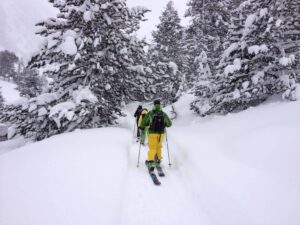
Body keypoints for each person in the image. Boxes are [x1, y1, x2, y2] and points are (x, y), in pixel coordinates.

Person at [140, 99, 172, 171]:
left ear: (154, 105)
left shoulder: (150, 113)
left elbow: (144, 122)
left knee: (152, 148)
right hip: (161, 134)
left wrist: (142, 127)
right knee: (158, 147)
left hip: (152, 133)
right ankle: (158, 161)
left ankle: (151, 162)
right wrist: (164, 124)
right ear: (160, 105)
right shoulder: (163, 114)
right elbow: (169, 124)